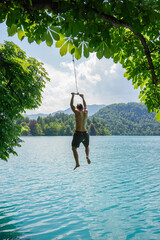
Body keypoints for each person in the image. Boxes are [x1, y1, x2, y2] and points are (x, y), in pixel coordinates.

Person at [70, 92, 91, 170]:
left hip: (78, 133)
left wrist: (72, 96)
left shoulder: (77, 112)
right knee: (86, 146)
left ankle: (77, 163)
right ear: (82, 108)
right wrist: (82, 97)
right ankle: (87, 156)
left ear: (77, 108)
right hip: (85, 133)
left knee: (74, 148)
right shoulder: (86, 112)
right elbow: (86, 106)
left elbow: (71, 106)